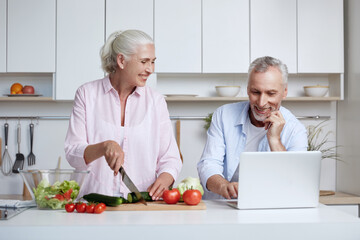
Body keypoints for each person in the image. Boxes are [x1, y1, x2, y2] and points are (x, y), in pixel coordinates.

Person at [65, 30, 182, 200]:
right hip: (92, 203)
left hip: (140, 203)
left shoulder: (156, 102)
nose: (150, 69)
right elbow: (72, 153)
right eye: (144, 62)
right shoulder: (87, 94)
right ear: (121, 60)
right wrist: (104, 147)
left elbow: (170, 158)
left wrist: (165, 178)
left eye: (153, 62)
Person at [197, 56, 308, 200]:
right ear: (248, 89)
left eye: (271, 93)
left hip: (269, 207)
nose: (261, 103)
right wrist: (224, 186)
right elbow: (208, 164)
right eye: (256, 92)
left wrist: (275, 140)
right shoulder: (223, 115)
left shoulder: (296, 130)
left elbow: (296, 183)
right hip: (222, 206)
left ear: (284, 92)